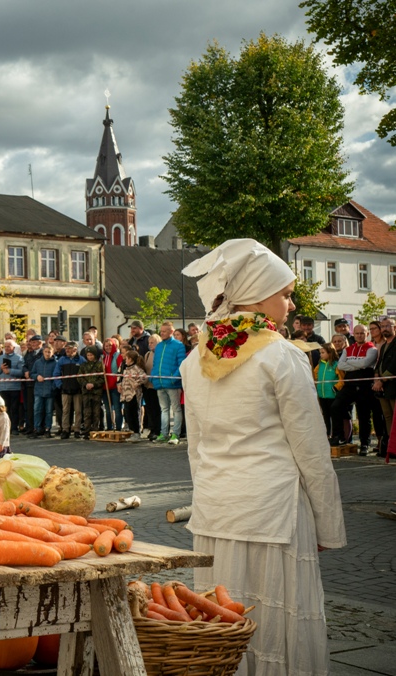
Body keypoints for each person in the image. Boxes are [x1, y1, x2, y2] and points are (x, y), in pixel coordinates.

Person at [181, 238, 345, 676]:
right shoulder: (282, 355)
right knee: (274, 623)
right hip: (273, 510)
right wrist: (328, 523)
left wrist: (207, 496)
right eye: (286, 294)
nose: (291, 304)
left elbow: (196, 448)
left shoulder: (194, 360)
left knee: (223, 621)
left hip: (217, 509)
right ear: (257, 292)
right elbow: (310, 449)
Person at [331, 324, 377, 453]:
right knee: (336, 407)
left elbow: (365, 363)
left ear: (367, 334)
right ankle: (340, 437)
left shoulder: (372, 349)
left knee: (364, 415)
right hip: (349, 385)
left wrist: (350, 363)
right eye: (357, 333)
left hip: (365, 386)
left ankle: (364, 444)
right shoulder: (348, 349)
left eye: (362, 333)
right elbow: (340, 365)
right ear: (354, 334)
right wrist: (358, 365)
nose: (359, 335)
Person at [150, 321, 187, 444]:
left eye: (164, 331)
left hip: (172, 384)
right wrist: (153, 377)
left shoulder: (178, 345)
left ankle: (175, 434)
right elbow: (155, 364)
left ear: (171, 332)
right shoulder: (159, 346)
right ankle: (164, 433)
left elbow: (182, 363)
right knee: (164, 410)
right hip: (160, 383)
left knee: (176, 410)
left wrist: (173, 378)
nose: (162, 333)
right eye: (161, 331)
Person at [372, 317, 396, 456]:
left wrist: (382, 380)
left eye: (388, 325)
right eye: (383, 326)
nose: (385, 328)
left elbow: (394, 365)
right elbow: (379, 363)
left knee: (395, 416)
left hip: (392, 386)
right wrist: (376, 378)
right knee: (387, 416)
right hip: (382, 387)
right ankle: (391, 447)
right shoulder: (384, 345)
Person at [55, 341, 84, 438]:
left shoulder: (81, 360)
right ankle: (65, 430)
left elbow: (85, 374)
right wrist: (60, 385)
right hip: (65, 390)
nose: (67, 350)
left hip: (78, 390)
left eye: (69, 348)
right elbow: (56, 374)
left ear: (75, 349)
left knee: (78, 411)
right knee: (66, 411)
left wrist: (82, 386)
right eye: (66, 348)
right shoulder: (62, 360)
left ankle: (77, 430)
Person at [118, 349, 147, 442]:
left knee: (134, 413)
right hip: (126, 395)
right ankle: (132, 431)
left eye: (126, 358)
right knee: (127, 413)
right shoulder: (126, 369)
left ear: (130, 359)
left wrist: (137, 383)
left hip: (134, 395)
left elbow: (144, 377)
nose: (125, 360)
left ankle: (136, 432)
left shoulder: (137, 369)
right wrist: (120, 385)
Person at [315, 343, 342, 441]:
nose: (320, 354)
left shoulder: (336, 364)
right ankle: (326, 435)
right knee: (325, 416)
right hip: (322, 395)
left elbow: (342, 379)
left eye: (323, 352)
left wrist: (336, 388)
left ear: (330, 353)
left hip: (332, 395)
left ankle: (336, 435)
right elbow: (314, 374)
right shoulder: (320, 364)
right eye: (320, 352)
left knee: (334, 416)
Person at [31, 344, 57, 437]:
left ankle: (47, 429)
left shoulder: (55, 363)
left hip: (49, 391)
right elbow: (32, 373)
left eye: (49, 352)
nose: (47, 354)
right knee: (37, 410)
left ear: (52, 352)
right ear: (43, 352)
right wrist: (36, 376)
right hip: (38, 390)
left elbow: (57, 376)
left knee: (49, 411)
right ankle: (37, 428)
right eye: (46, 352)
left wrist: (53, 387)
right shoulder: (37, 362)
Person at [79, 349, 105, 435]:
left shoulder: (99, 365)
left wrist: (94, 384)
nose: (90, 357)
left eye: (91, 355)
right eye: (88, 355)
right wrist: (86, 384)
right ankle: (87, 430)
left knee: (96, 411)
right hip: (86, 391)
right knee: (87, 411)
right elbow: (79, 377)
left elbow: (102, 378)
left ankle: (95, 429)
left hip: (96, 391)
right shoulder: (83, 365)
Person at [141, 334, 162, 440]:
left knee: (156, 409)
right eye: (149, 343)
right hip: (147, 386)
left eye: (152, 342)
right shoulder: (148, 354)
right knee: (149, 409)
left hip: (156, 386)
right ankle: (152, 428)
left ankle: (158, 430)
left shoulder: (160, 354)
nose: (150, 344)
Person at [100, 337, 123, 431]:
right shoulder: (103, 357)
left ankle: (118, 428)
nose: (108, 347)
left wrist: (117, 382)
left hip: (115, 387)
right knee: (108, 410)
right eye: (106, 346)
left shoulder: (118, 356)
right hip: (105, 387)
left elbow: (120, 370)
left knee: (117, 409)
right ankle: (109, 427)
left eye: (110, 345)